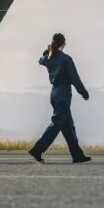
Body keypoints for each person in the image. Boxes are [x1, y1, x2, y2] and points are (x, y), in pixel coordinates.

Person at [28, 33, 92, 164]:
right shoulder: (65, 59)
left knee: (68, 126)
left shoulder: (49, 58)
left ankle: (77, 155)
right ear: (63, 44)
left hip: (54, 93)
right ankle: (37, 149)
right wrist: (83, 92)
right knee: (57, 123)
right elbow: (74, 77)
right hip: (63, 93)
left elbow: (41, 60)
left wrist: (46, 51)